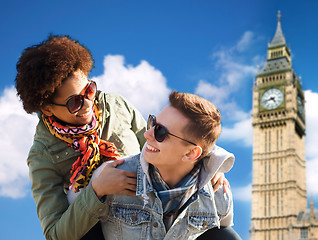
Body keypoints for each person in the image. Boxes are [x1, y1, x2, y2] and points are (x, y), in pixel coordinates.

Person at [15, 35, 231, 240]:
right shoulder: (42, 156)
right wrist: (97, 191)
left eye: (89, 90)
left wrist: (208, 165)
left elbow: (163, 142)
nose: (89, 104)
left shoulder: (116, 106)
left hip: (153, 212)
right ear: (47, 108)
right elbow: (56, 234)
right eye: (75, 102)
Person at [84, 91, 241, 239]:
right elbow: (74, 227)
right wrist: (96, 190)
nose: (147, 134)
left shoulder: (218, 193)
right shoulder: (112, 177)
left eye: (160, 132)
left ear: (191, 154)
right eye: (153, 122)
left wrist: (214, 168)